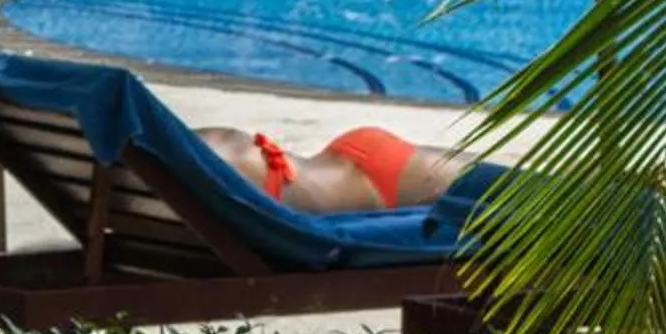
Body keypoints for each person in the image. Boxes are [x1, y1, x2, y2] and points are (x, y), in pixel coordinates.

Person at [197, 122, 485, 215]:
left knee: (521, 193)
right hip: (359, 167)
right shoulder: (193, 152)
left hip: (378, 173)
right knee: (516, 189)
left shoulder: (197, 160)